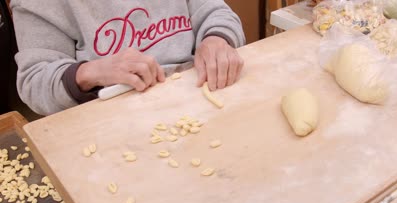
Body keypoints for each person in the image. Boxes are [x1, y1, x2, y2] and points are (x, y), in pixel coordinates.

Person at [11, 0, 246, 116]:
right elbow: (35, 81)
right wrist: (89, 73)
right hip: (112, 123)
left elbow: (214, 10)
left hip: (200, 96)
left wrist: (217, 38)